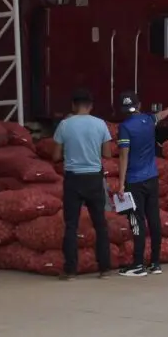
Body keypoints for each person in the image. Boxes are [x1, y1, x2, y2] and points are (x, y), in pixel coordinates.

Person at [114, 91, 168, 277]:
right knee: (154, 220)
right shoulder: (148, 121)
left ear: (123, 109)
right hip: (152, 178)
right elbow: (159, 116)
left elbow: (123, 155)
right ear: (140, 105)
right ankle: (155, 263)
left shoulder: (124, 127)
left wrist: (120, 184)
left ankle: (137, 265)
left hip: (134, 181)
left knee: (137, 222)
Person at [52, 88, 112, 280]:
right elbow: (108, 154)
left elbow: (55, 156)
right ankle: (104, 268)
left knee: (71, 225)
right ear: (91, 106)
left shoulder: (64, 125)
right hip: (94, 177)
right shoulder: (101, 124)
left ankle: (70, 271)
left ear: (73, 105)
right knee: (100, 224)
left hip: (73, 178)